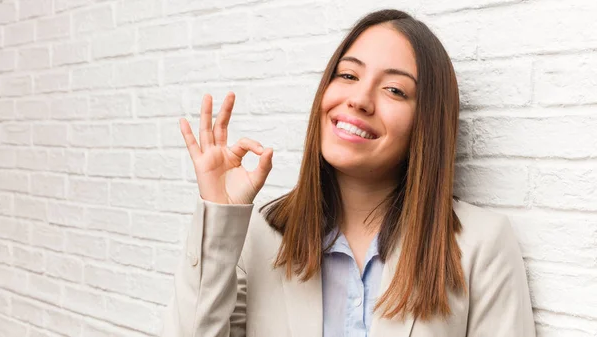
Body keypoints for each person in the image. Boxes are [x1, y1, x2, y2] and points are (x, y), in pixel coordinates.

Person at [160, 9, 536, 337]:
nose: (358, 99)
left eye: (394, 89)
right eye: (348, 76)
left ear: (427, 122)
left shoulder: (482, 246)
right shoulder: (257, 236)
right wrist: (219, 212)